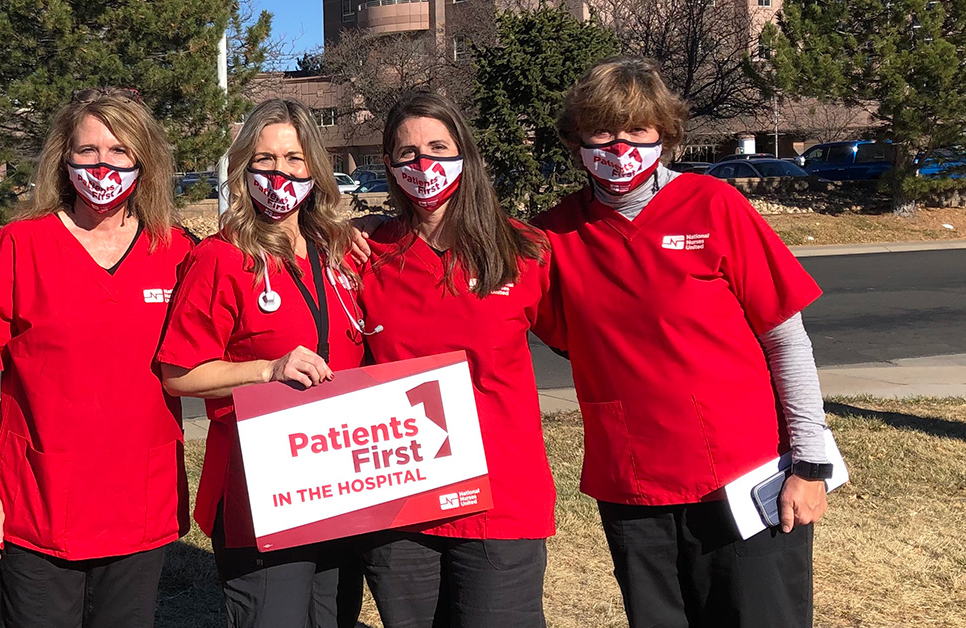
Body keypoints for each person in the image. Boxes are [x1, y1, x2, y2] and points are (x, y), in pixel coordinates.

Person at [532, 57, 833, 628]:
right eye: (601, 131)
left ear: (664, 136)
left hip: (748, 476)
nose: (619, 147)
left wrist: (812, 463)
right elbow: (564, 338)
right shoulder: (553, 234)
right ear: (576, 139)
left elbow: (786, 338)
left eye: (637, 131)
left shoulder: (714, 205)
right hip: (634, 482)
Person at [0, 87, 193, 628]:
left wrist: (343, 235)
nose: (103, 165)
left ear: (145, 160)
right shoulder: (19, 245)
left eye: (120, 151)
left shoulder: (176, 250)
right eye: (88, 151)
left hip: (138, 499)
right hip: (38, 499)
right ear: (64, 158)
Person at [157, 99, 367, 628]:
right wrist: (268, 369)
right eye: (265, 160)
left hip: (342, 483)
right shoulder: (221, 258)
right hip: (262, 489)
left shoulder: (337, 251)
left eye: (295, 160)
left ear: (316, 168)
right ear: (243, 169)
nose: (281, 174)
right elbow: (179, 373)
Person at [354, 91, 556, 627]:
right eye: (406, 154)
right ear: (390, 166)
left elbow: (597, 341)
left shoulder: (524, 250)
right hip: (401, 502)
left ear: (465, 152)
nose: (424, 166)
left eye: (438, 148)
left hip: (501, 497)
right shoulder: (366, 255)